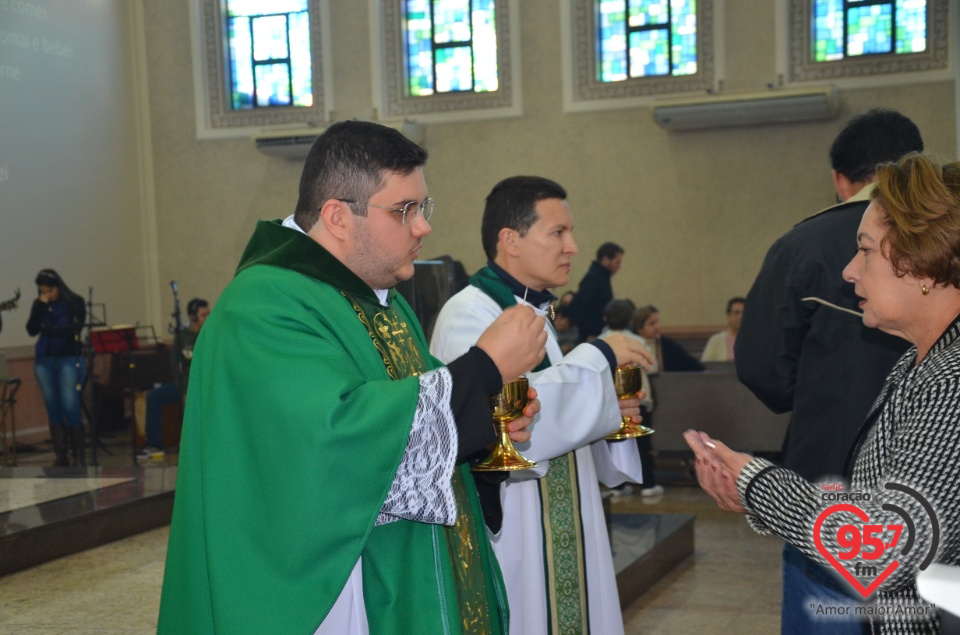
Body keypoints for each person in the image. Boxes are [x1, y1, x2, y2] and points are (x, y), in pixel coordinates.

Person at [157, 121, 549, 635]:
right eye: (404, 210)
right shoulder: (260, 307)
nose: (423, 227)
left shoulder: (382, 303)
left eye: (422, 208)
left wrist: (489, 430)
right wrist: (484, 368)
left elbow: (415, 429)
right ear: (338, 216)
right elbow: (335, 444)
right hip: (320, 598)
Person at [687, 153, 960, 635]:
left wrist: (758, 482)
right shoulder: (917, 361)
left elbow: (888, 549)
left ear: (924, 262)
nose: (850, 271)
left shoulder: (949, 380)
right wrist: (755, 494)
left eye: (867, 251)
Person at [430, 176, 654, 635]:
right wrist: (600, 356)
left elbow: (557, 410)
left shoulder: (534, 315)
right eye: (558, 233)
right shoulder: (468, 314)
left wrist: (610, 419)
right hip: (516, 535)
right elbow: (505, 422)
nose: (573, 246)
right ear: (510, 240)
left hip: (563, 526)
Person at [734, 109, 923, 633]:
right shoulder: (944, 242)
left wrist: (823, 394)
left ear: (840, 180)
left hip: (830, 473)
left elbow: (760, 364)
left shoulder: (802, 245)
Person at [25, 269, 87, 467]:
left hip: (68, 358)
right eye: (42, 291)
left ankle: (79, 454)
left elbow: (75, 329)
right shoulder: (41, 304)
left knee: (70, 404)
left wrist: (49, 329)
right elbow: (31, 329)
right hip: (45, 360)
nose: (46, 295)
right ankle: (61, 456)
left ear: (58, 286)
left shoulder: (75, 302)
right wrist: (40, 307)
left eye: (49, 291)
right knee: (53, 406)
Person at [602, 298, 663, 497]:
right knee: (642, 444)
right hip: (637, 399)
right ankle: (647, 484)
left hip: (612, 401)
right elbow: (651, 367)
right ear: (630, 318)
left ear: (606, 318)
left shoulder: (602, 341)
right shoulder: (637, 340)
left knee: (614, 444)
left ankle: (618, 486)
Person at [138, 298, 209, 458]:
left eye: (208, 313)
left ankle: (194, 447)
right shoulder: (182, 337)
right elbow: (175, 366)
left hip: (202, 387)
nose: (207, 317)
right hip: (182, 385)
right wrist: (183, 390)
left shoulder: (209, 335)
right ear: (192, 317)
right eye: (204, 314)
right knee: (154, 397)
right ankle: (154, 444)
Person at [568, 241, 623, 342]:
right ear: (606, 259)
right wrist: (590, 332)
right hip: (591, 337)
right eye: (617, 262)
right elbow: (577, 307)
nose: (619, 267)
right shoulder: (594, 279)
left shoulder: (601, 277)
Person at [633, 304, 705, 372]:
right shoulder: (633, 344)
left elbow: (693, 366)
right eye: (652, 324)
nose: (657, 327)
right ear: (640, 329)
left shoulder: (668, 345)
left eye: (657, 322)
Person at [700, 296, 745, 362]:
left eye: (744, 313)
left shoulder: (754, 340)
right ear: (728, 316)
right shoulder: (716, 340)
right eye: (736, 313)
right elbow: (706, 365)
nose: (740, 317)